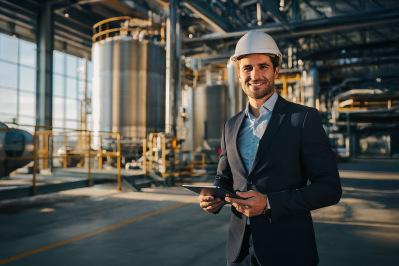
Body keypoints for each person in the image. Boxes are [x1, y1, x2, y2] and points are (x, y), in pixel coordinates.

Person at [198, 30, 342, 266]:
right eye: (247, 68)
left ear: (276, 71)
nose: (255, 75)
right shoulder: (230, 125)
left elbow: (329, 188)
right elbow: (224, 177)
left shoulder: (303, 119)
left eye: (263, 66)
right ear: (238, 73)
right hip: (239, 252)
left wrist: (269, 203)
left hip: (288, 251)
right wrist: (213, 196)